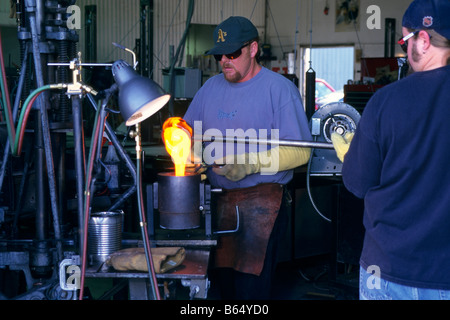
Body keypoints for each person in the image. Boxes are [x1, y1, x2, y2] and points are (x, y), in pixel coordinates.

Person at [183, 16, 312, 299]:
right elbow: (186, 134)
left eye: (233, 53)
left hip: (262, 205)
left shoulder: (278, 90)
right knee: (217, 289)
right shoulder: (209, 89)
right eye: (219, 55)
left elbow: (301, 150)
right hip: (215, 205)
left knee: (249, 292)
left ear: (253, 49)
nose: (224, 61)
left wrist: (249, 164)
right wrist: (191, 155)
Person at [331, 0, 450, 300]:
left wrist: (350, 154)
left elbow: (357, 183)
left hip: (387, 270)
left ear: (422, 40)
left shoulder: (386, 101)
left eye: (405, 40)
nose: (404, 49)